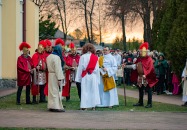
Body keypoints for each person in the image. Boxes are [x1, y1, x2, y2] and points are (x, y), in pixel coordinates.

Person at [125, 42, 158, 108]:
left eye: (141, 51)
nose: (139, 52)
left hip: (147, 76)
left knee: (148, 90)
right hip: (140, 76)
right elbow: (134, 66)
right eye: (139, 51)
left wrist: (146, 75)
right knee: (140, 89)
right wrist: (125, 66)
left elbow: (151, 68)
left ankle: (149, 103)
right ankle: (140, 102)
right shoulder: (139, 59)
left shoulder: (149, 59)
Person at [75, 43, 100, 110]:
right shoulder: (95, 57)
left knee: (85, 91)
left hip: (85, 75)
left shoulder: (82, 57)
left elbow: (80, 68)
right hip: (93, 75)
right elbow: (97, 69)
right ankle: (93, 106)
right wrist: (98, 79)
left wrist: (78, 79)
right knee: (93, 90)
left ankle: (84, 106)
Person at [46, 45, 65, 112]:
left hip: (50, 75)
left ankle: (51, 105)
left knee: (51, 91)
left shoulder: (49, 56)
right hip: (55, 75)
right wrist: (60, 78)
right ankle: (56, 106)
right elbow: (58, 69)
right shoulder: (56, 57)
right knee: (56, 91)